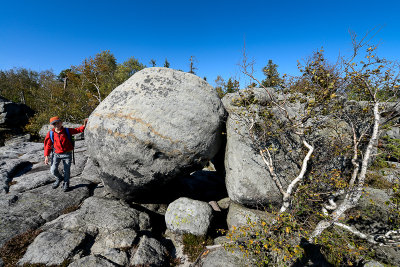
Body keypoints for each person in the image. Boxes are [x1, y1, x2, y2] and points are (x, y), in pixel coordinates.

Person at [44, 116, 88, 192]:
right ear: (52, 125)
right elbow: (48, 145)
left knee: (66, 170)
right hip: (56, 154)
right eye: (54, 124)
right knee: (53, 170)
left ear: (61, 123)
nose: (57, 125)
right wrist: (46, 156)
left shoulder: (67, 130)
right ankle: (59, 178)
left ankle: (66, 183)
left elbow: (77, 130)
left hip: (67, 154)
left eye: (58, 123)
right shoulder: (51, 133)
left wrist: (84, 125)